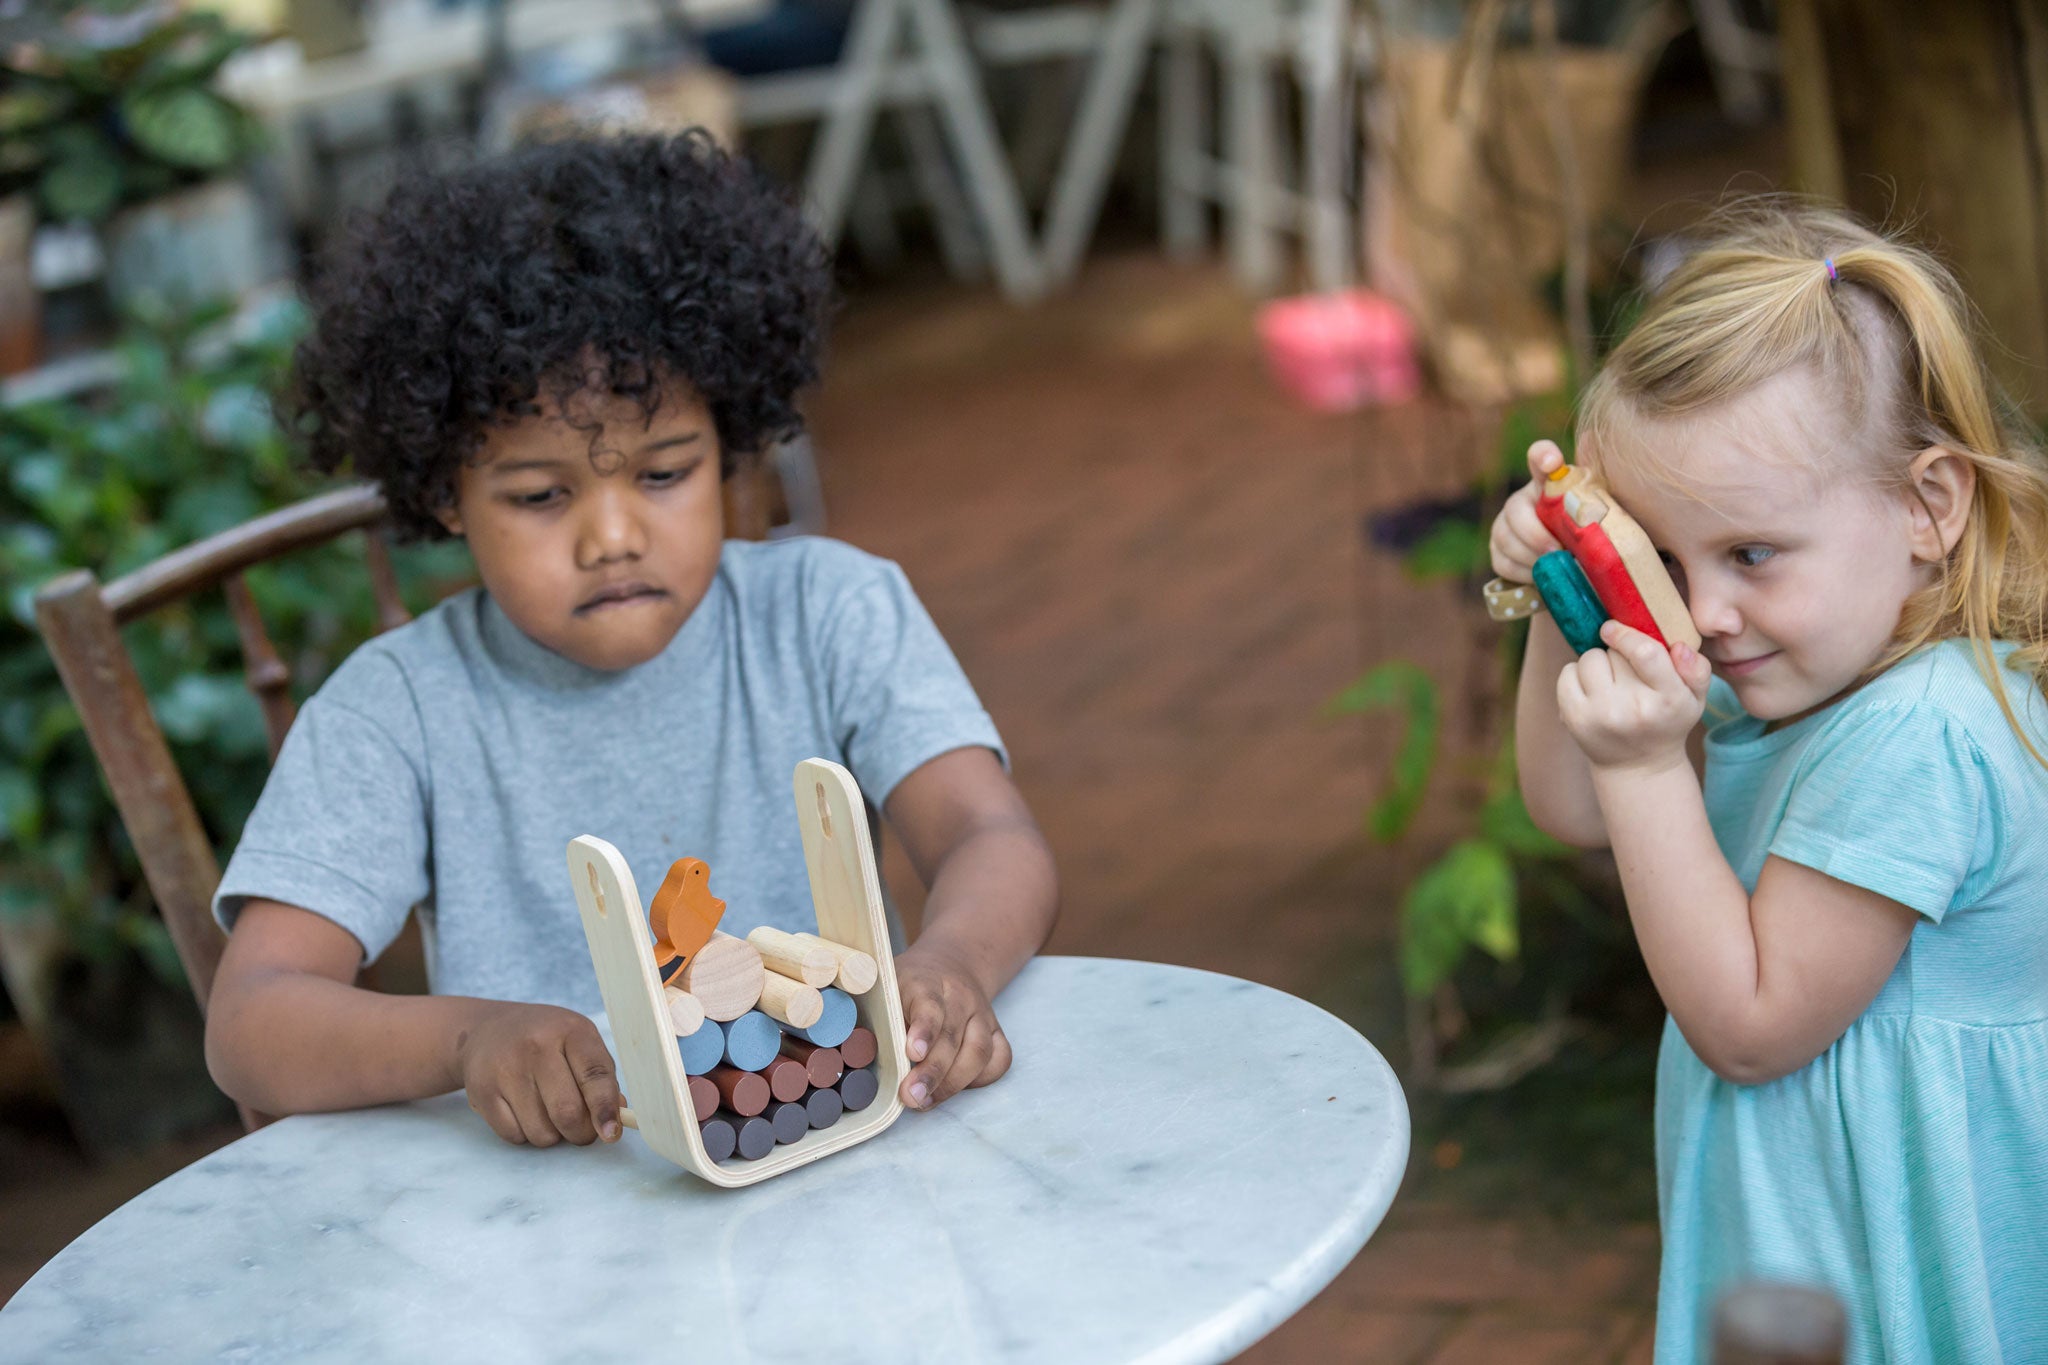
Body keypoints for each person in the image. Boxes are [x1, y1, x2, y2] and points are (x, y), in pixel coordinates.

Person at [204, 132, 1060, 1150]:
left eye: (663, 475)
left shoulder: (828, 611)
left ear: (731, 445)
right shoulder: (399, 710)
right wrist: (470, 1039)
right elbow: (253, 1017)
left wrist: (951, 960)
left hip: (840, 1149)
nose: (612, 537)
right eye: (539, 495)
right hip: (562, 1226)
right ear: (443, 493)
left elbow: (988, 837)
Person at [1493, 199, 2048, 1363]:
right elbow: (1568, 806)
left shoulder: (1920, 732)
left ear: (1923, 506)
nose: (1699, 614)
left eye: (1747, 553)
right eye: (1661, 552)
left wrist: (1648, 762)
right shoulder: (1795, 663)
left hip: (1894, 1253)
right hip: (1809, 1222)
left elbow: (1749, 1025)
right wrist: (1568, 595)